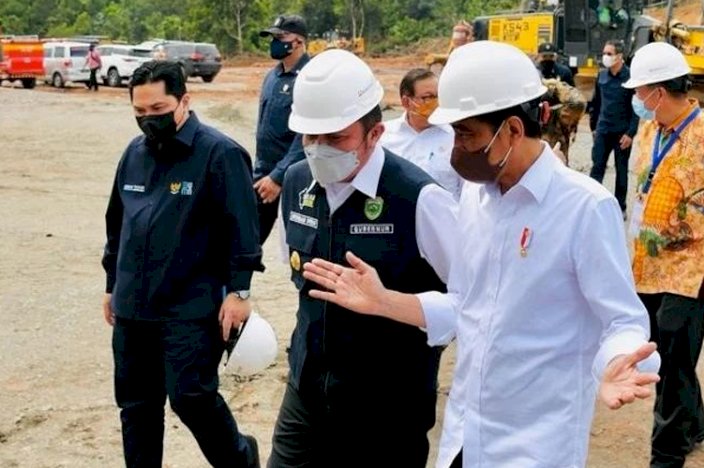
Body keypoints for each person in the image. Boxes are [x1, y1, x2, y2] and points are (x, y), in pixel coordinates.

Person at [299, 41, 662, 468]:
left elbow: (621, 320)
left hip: (535, 444)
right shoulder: (475, 199)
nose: (455, 147)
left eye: (466, 133)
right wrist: (383, 301)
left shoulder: (584, 207)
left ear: (511, 129)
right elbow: (465, 306)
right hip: (465, 436)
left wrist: (618, 361)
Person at [267, 49, 459, 467]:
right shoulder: (299, 182)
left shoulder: (420, 199)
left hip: (388, 407)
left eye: (335, 138)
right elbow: (294, 268)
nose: (318, 150)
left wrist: (386, 302)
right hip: (307, 392)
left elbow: (472, 305)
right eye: (309, 137)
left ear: (375, 134)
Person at [102, 61, 264, 468]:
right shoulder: (133, 154)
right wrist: (111, 284)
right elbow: (116, 223)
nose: (148, 120)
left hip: (189, 305)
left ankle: (241, 459)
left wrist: (240, 291)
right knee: (136, 406)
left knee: (191, 397)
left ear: (184, 101)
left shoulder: (219, 153)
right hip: (133, 306)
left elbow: (243, 227)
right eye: (140, 112)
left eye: (158, 109)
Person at [623, 42, 704, 468]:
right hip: (647, 265)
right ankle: (694, 426)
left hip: (689, 269)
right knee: (666, 354)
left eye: (641, 91)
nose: (637, 99)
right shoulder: (649, 130)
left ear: (660, 91)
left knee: (672, 368)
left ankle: (667, 453)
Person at [254, 15, 310, 244]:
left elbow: (306, 134)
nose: (274, 42)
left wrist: (278, 177)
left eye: (280, 37)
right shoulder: (272, 76)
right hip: (263, 174)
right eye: (272, 37)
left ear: (298, 41)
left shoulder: (309, 77)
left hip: (296, 176)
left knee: (300, 244)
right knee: (246, 241)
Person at [381, 68, 463, 200]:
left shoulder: (455, 137)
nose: (436, 103)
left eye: (438, 96)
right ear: (406, 102)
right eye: (428, 97)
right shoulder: (384, 137)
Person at [589, 39, 639, 219]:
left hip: (622, 133)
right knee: (597, 168)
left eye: (609, 54)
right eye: (604, 53)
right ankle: (592, 203)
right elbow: (596, 103)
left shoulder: (630, 78)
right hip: (603, 130)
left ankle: (620, 207)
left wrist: (631, 133)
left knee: (621, 170)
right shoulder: (601, 76)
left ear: (619, 56)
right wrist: (593, 127)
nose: (605, 57)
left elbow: (636, 108)